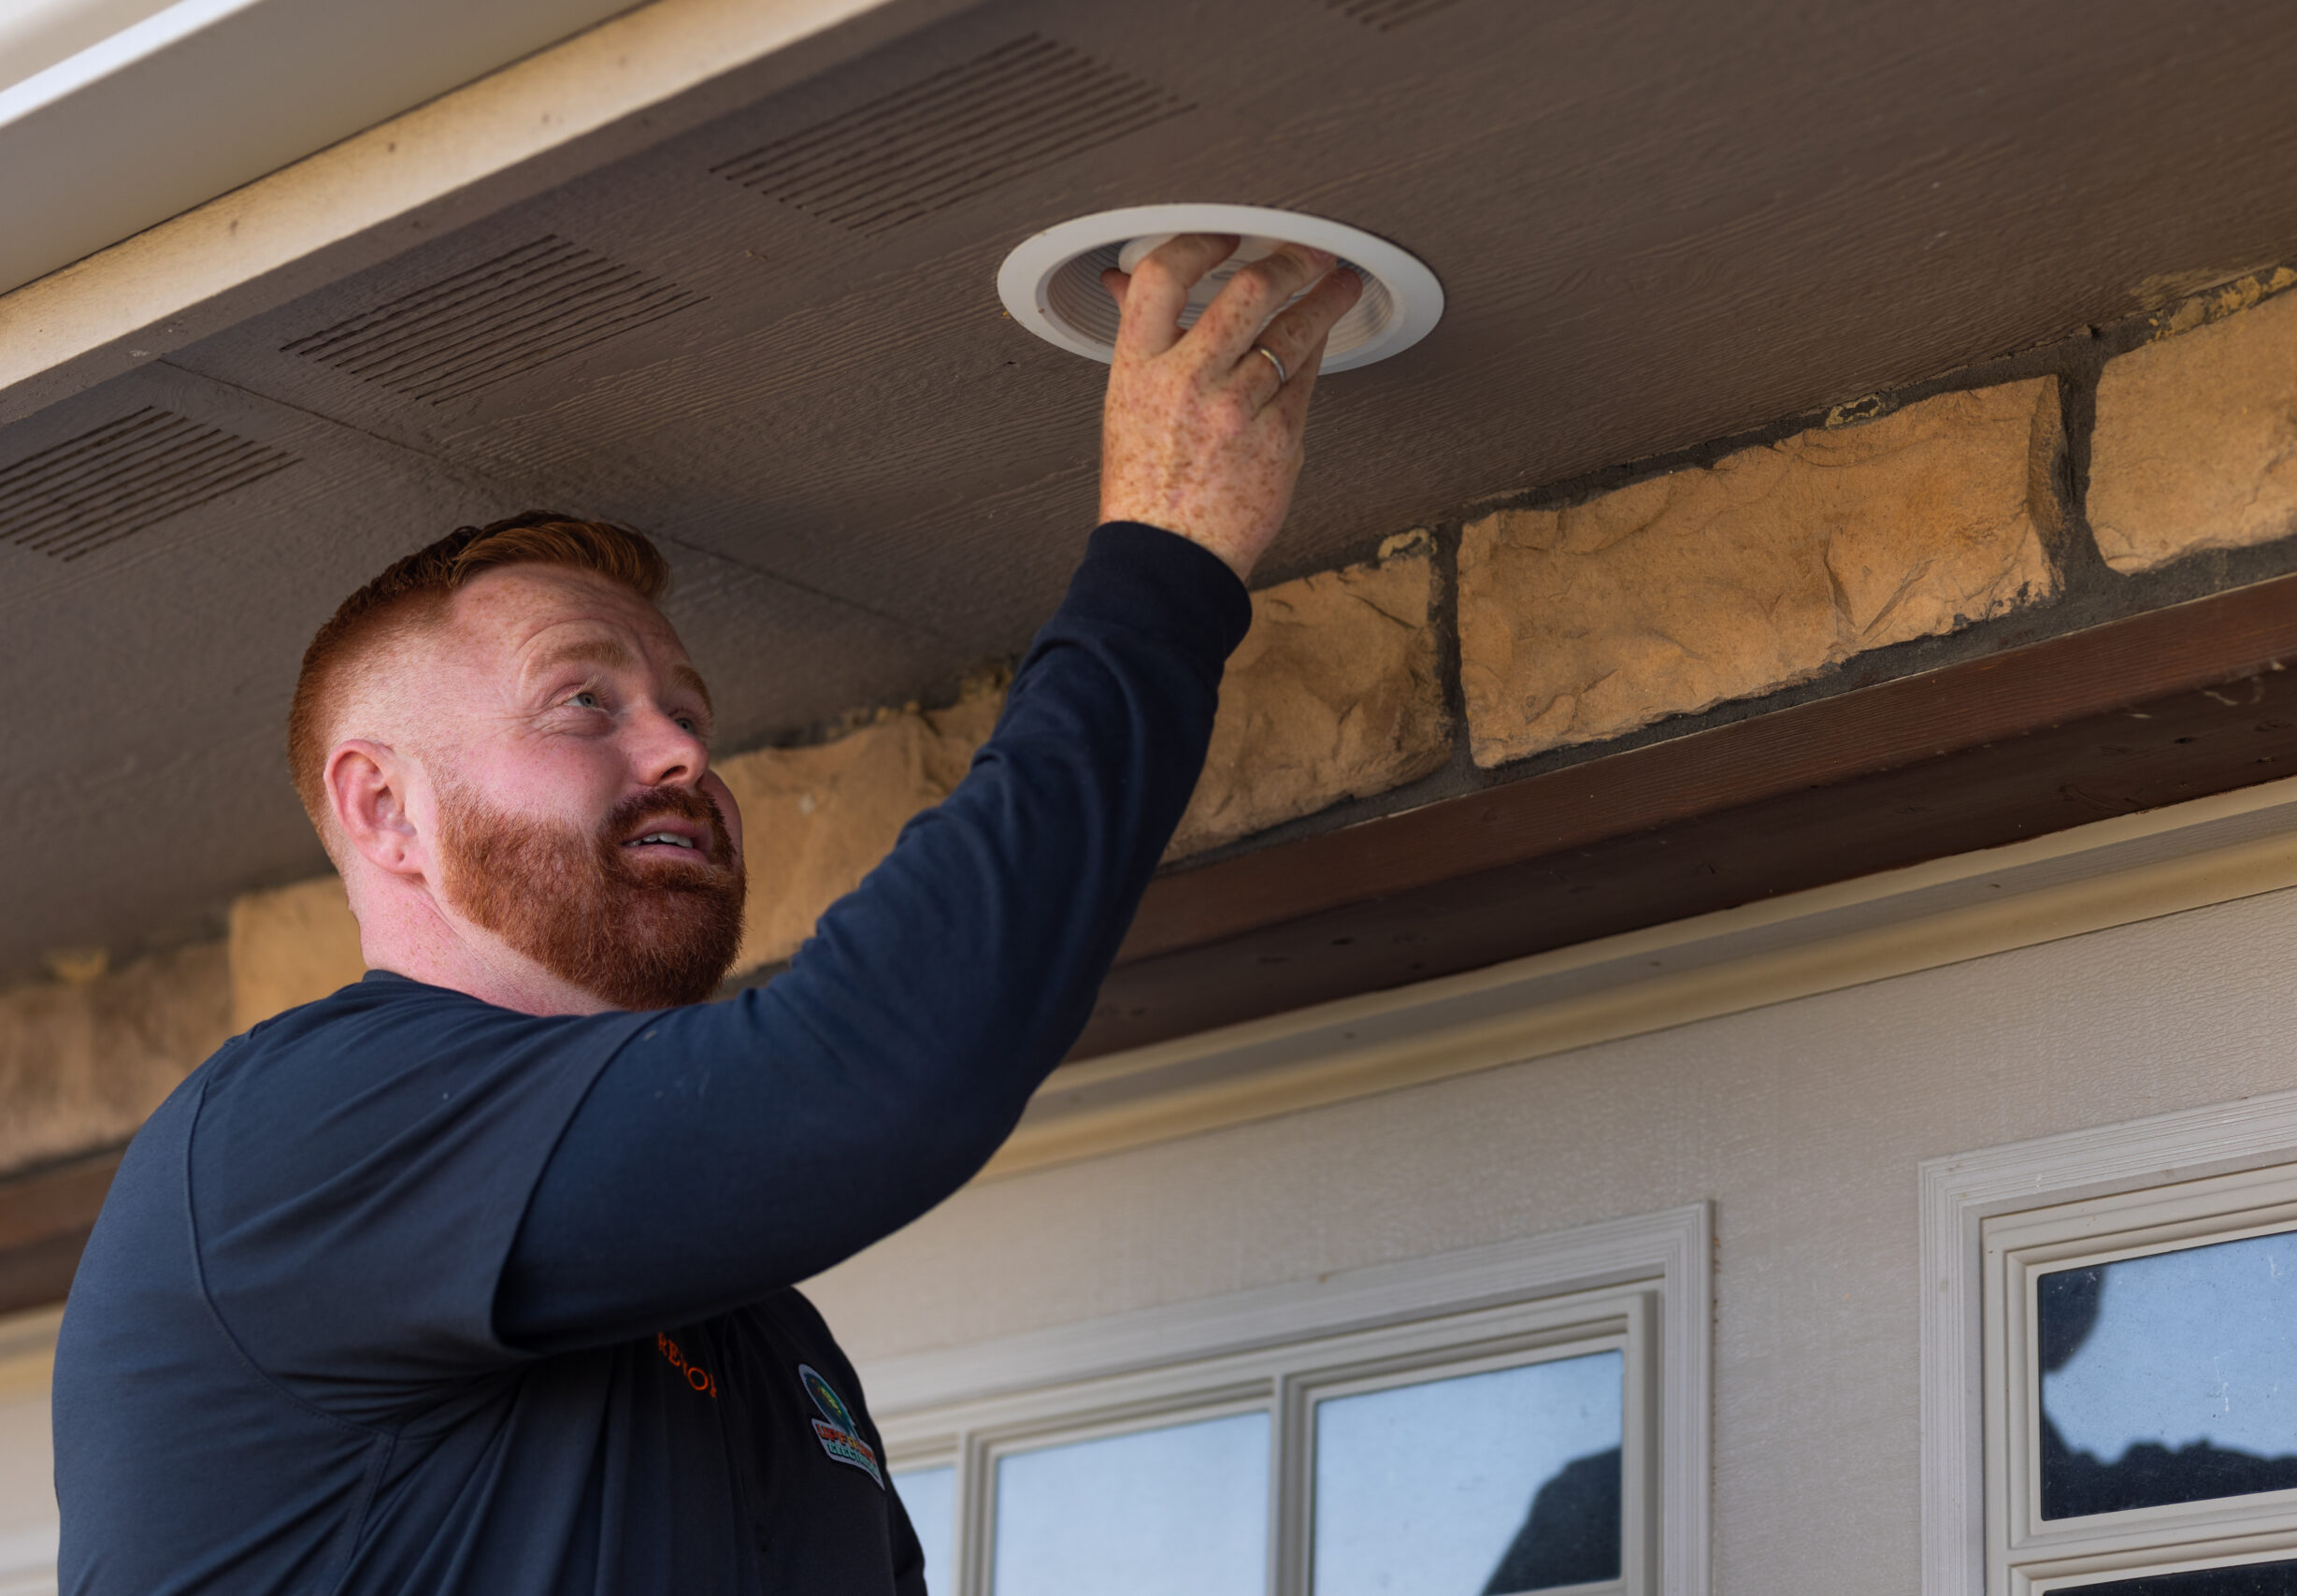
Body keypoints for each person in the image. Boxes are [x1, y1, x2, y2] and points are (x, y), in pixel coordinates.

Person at [52, 236, 1364, 1595]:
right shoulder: (288, 1139)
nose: (680, 752)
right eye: (585, 702)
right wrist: (1163, 562)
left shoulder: (757, 1331)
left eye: (687, 713)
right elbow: (874, 1073)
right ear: (384, 808)